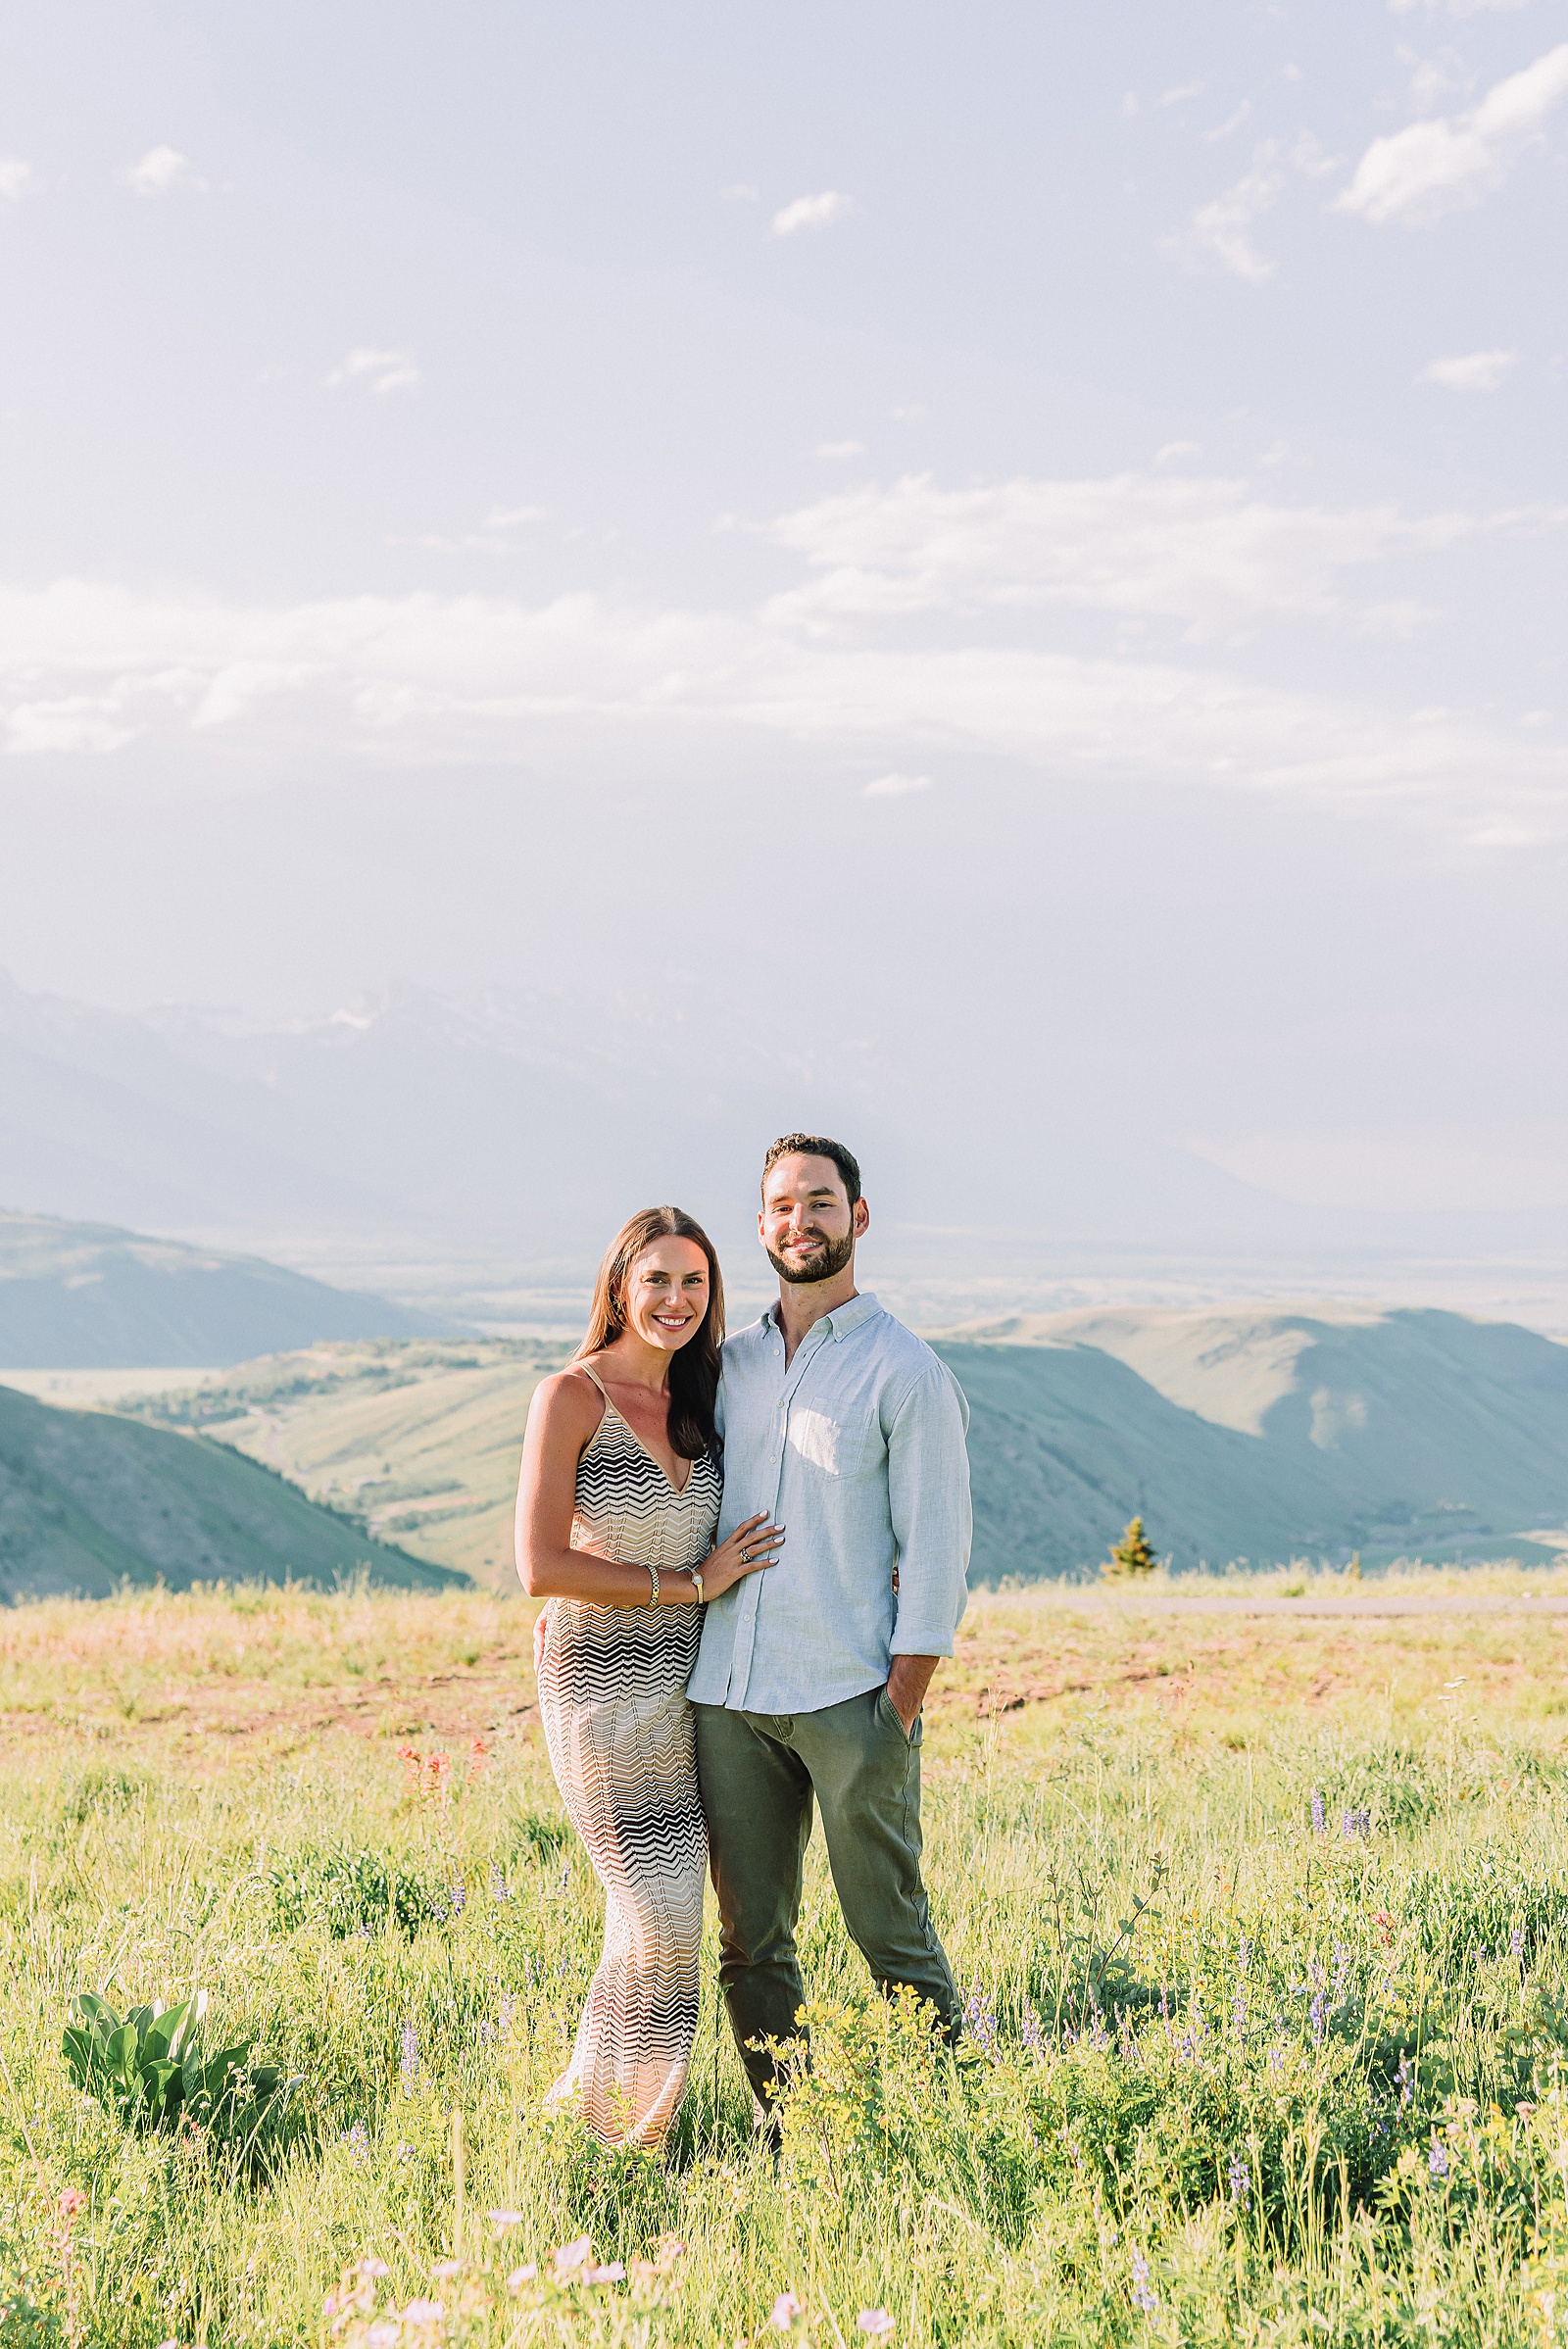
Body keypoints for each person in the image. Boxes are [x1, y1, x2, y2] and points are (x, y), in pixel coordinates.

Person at [689, 1134, 971, 2120]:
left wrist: (898, 1703)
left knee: (886, 1931)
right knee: (749, 1941)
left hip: (851, 1698)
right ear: (759, 1224)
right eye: (779, 1206)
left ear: (858, 1216)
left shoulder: (906, 1372)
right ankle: (789, 2126)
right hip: (728, 1697)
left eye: (818, 1202)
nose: (797, 1221)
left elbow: (936, 1550)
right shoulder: (732, 1364)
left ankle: (936, 2122)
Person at [514, 1204, 783, 2150]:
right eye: (658, 1278)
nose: (675, 1299)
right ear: (620, 1284)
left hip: (686, 1688)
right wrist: (690, 1582)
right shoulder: (572, 1396)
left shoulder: (706, 1399)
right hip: (595, 1687)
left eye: (695, 1282)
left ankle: (592, 2116)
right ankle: (626, 2130)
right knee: (659, 1909)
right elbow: (539, 1565)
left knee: (655, 1918)